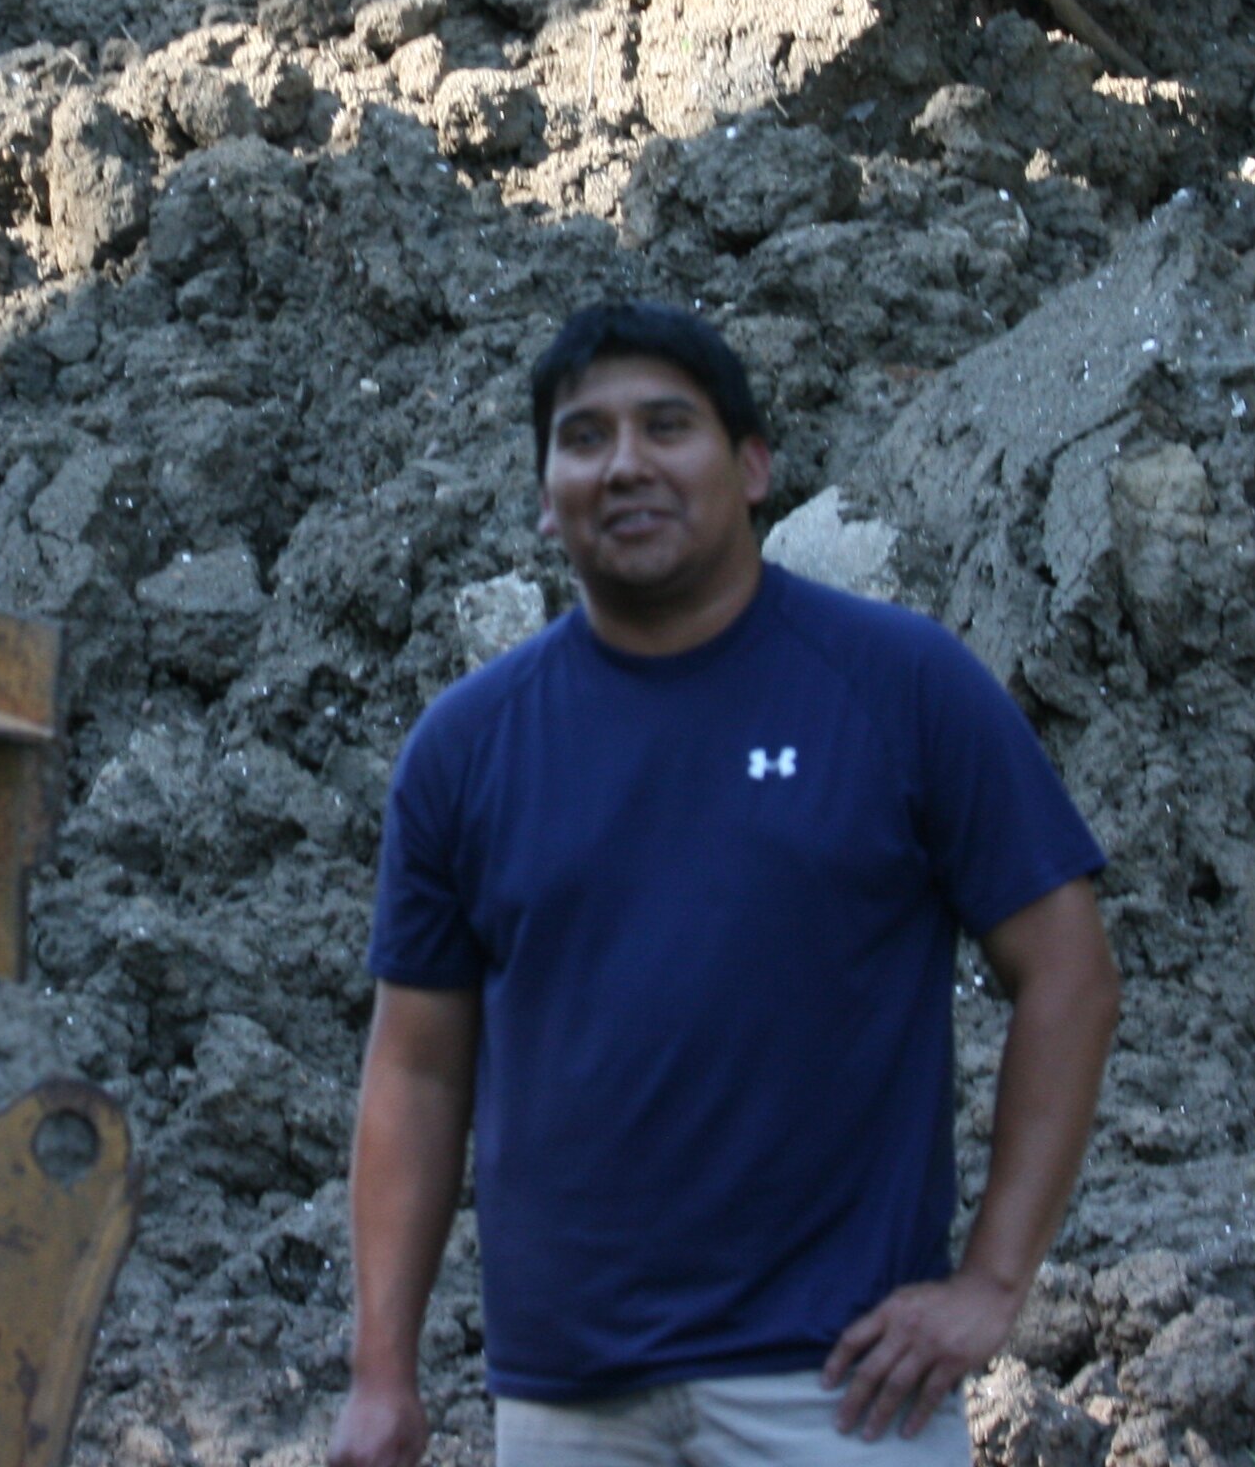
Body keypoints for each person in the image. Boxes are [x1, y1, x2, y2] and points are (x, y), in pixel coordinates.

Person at [330, 302, 1118, 1467]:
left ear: (751, 467)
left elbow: (1069, 975)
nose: (626, 463)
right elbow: (417, 1066)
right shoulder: (469, 747)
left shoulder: (902, 690)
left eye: (666, 426)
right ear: (547, 499)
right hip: (574, 1398)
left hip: (844, 1388)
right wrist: (383, 1372)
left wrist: (994, 1281)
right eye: (584, 438)